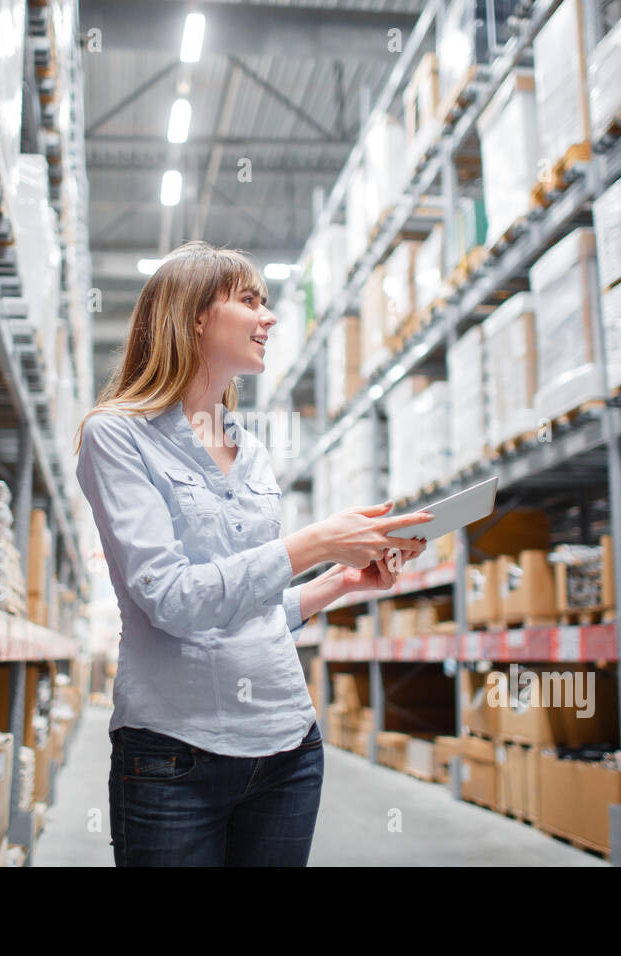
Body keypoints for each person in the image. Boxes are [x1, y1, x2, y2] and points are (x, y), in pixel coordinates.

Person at [74, 241, 433, 866]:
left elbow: (253, 605)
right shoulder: (117, 436)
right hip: (173, 754)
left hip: (288, 748)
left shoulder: (255, 452)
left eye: (265, 304)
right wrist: (316, 541)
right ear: (194, 317)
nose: (268, 318)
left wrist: (340, 581)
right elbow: (173, 600)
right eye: (249, 301)